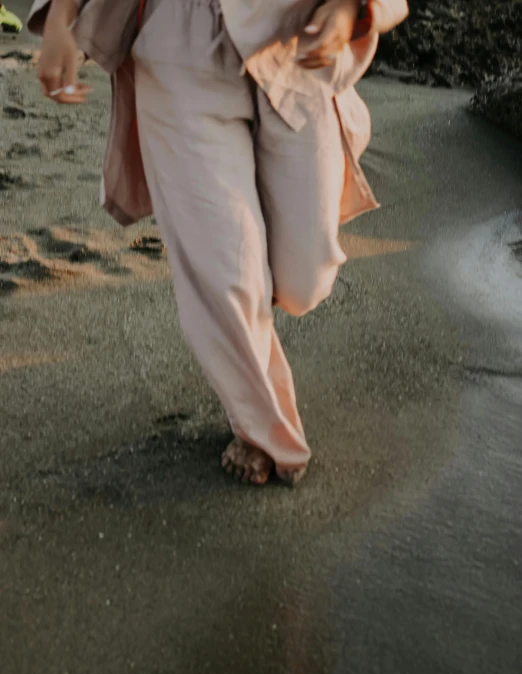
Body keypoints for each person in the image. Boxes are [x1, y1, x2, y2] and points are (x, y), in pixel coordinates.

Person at [31, 0, 409, 486]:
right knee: (228, 275)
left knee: (303, 280)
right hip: (176, 45)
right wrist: (62, 21)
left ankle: (248, 260)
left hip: (293, 35)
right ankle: (264, 431)